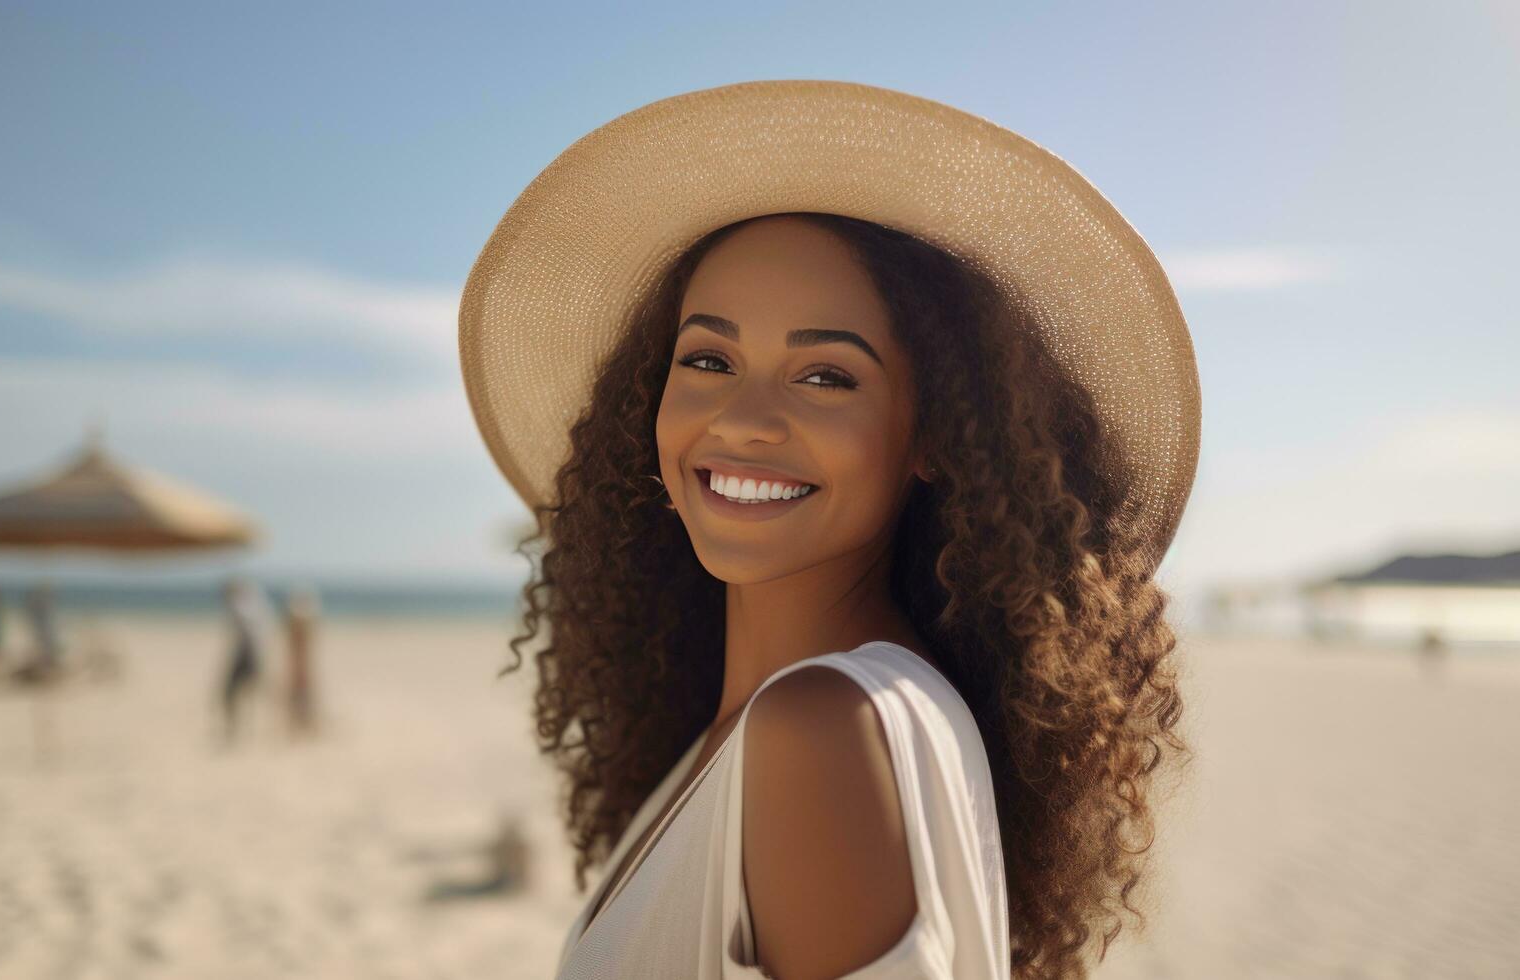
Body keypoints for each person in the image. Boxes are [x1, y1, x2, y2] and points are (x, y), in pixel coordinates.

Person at [460, 81, 1202, 979]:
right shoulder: (796, 721)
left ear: (931, 436)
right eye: (707, 359)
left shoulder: (819, 732)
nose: (742, 420)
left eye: (824, 377)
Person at [219, 576, 274, 742]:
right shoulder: (254, 605)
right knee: (248, 693)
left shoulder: (239, 606)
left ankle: (237, 729)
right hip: (254, 653)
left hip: (248, 655)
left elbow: (247, 636)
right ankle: (244, 730)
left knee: (232, 693)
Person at [281, 583, 321, 736]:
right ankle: (302, 723)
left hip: (300, 664)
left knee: (302, 694)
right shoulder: (303, 624)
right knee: (301, 694)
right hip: (299, 664)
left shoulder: (299, 626)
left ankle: (303, 723)